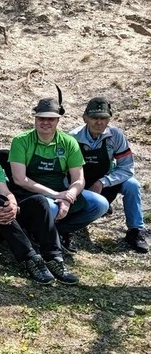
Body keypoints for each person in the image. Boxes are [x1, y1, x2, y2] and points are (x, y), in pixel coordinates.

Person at [0, 131, 78, 285]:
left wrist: (13, 205)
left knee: (39, 201)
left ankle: (53, 257)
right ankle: (31, 258)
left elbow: (6, 192)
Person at [8, 94, 109, 252]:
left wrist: (69, 196)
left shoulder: (68, 142)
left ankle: (60, 231)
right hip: (31, 192)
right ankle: (42, 235)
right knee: (51, 209)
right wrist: (55, 195)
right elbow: (20, 179)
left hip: (61, 189)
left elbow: (78, 179)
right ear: (35, 119)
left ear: (58, 120)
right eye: (41, 118)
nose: (46, 123)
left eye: (51, 119)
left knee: (100, 204)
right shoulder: (21, 141)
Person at [70, 97, 147, 253]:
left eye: (103, 118)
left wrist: (103, 182)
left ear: (109, 119)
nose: (99, 122)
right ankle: (69, 226)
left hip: (106, 178)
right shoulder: (73, 137)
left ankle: (135, 231)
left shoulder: (116, 136)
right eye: (94, 118)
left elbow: (126, 167)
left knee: (132, 185)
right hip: (79, 180)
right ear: (85, 118)